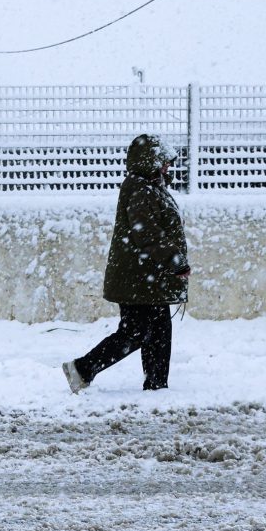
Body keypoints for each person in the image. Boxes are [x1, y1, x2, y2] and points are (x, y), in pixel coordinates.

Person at [62, 133, 190, 393]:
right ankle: (83, 368)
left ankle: (156, 385)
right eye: (162, 161)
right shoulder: (140, 189)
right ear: (149, 161)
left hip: (146, 277)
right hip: (137, 278)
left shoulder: (149, 186)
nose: (167, 167)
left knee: (158, 330)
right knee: (135, 332)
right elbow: (147, 232)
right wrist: (174, 260)